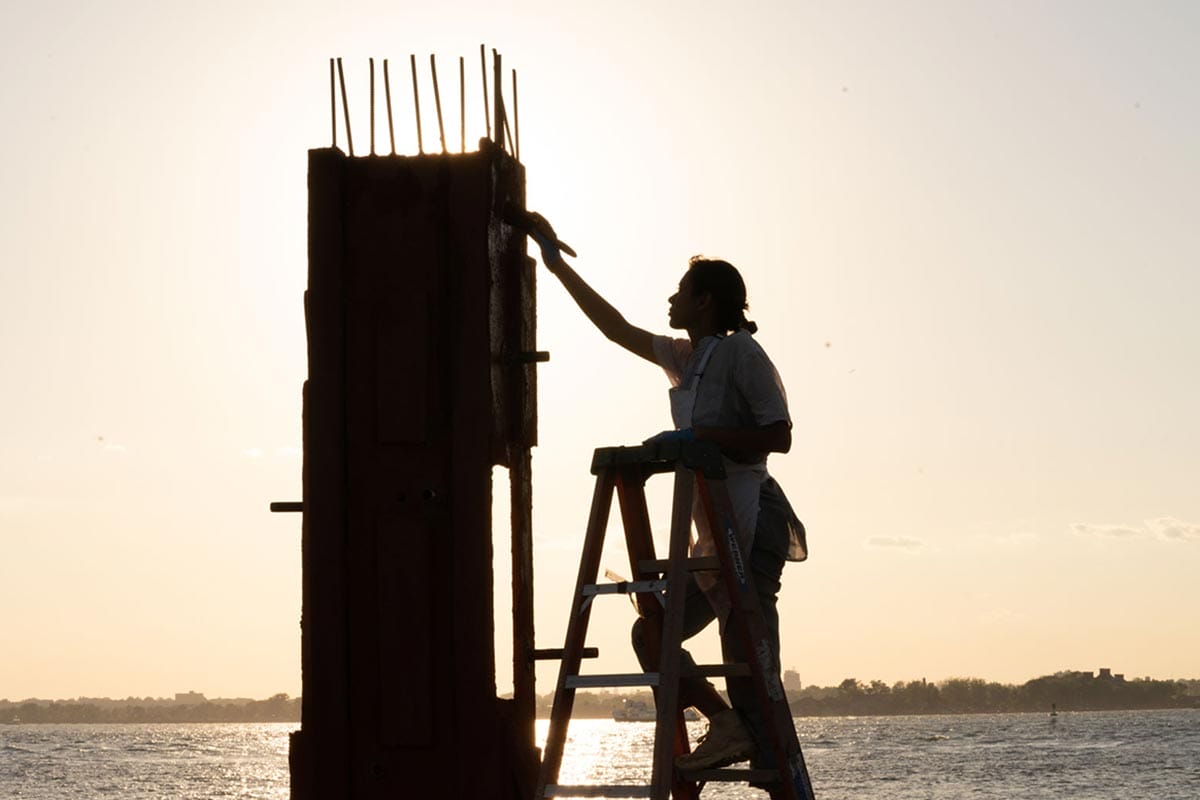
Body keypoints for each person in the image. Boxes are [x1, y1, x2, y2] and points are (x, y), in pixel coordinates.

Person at [526, 217, 806, 782]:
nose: (671, 298)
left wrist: (701, 439)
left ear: (705, 302)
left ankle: (766, 749)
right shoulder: (690, 358)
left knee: (745, 648)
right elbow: (616, 330)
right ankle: (727, 724)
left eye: (681, 291)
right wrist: (556, 265)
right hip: (715, 529)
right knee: (650, 632)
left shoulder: (741, 354)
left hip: (753, 520)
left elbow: (779, 435)